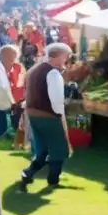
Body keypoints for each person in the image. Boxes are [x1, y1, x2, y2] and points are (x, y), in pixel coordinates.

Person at [19, 43, 73, 191]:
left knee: (42, 149)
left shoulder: (35, 69)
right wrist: (60, 114)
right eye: (65, 56)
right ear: (58, 55)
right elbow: (56, 99)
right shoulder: (53, 73)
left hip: (33, 113)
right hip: (48, 114)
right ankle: (53, 180)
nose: (67, 60)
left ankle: (28, 173)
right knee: (59, 148)